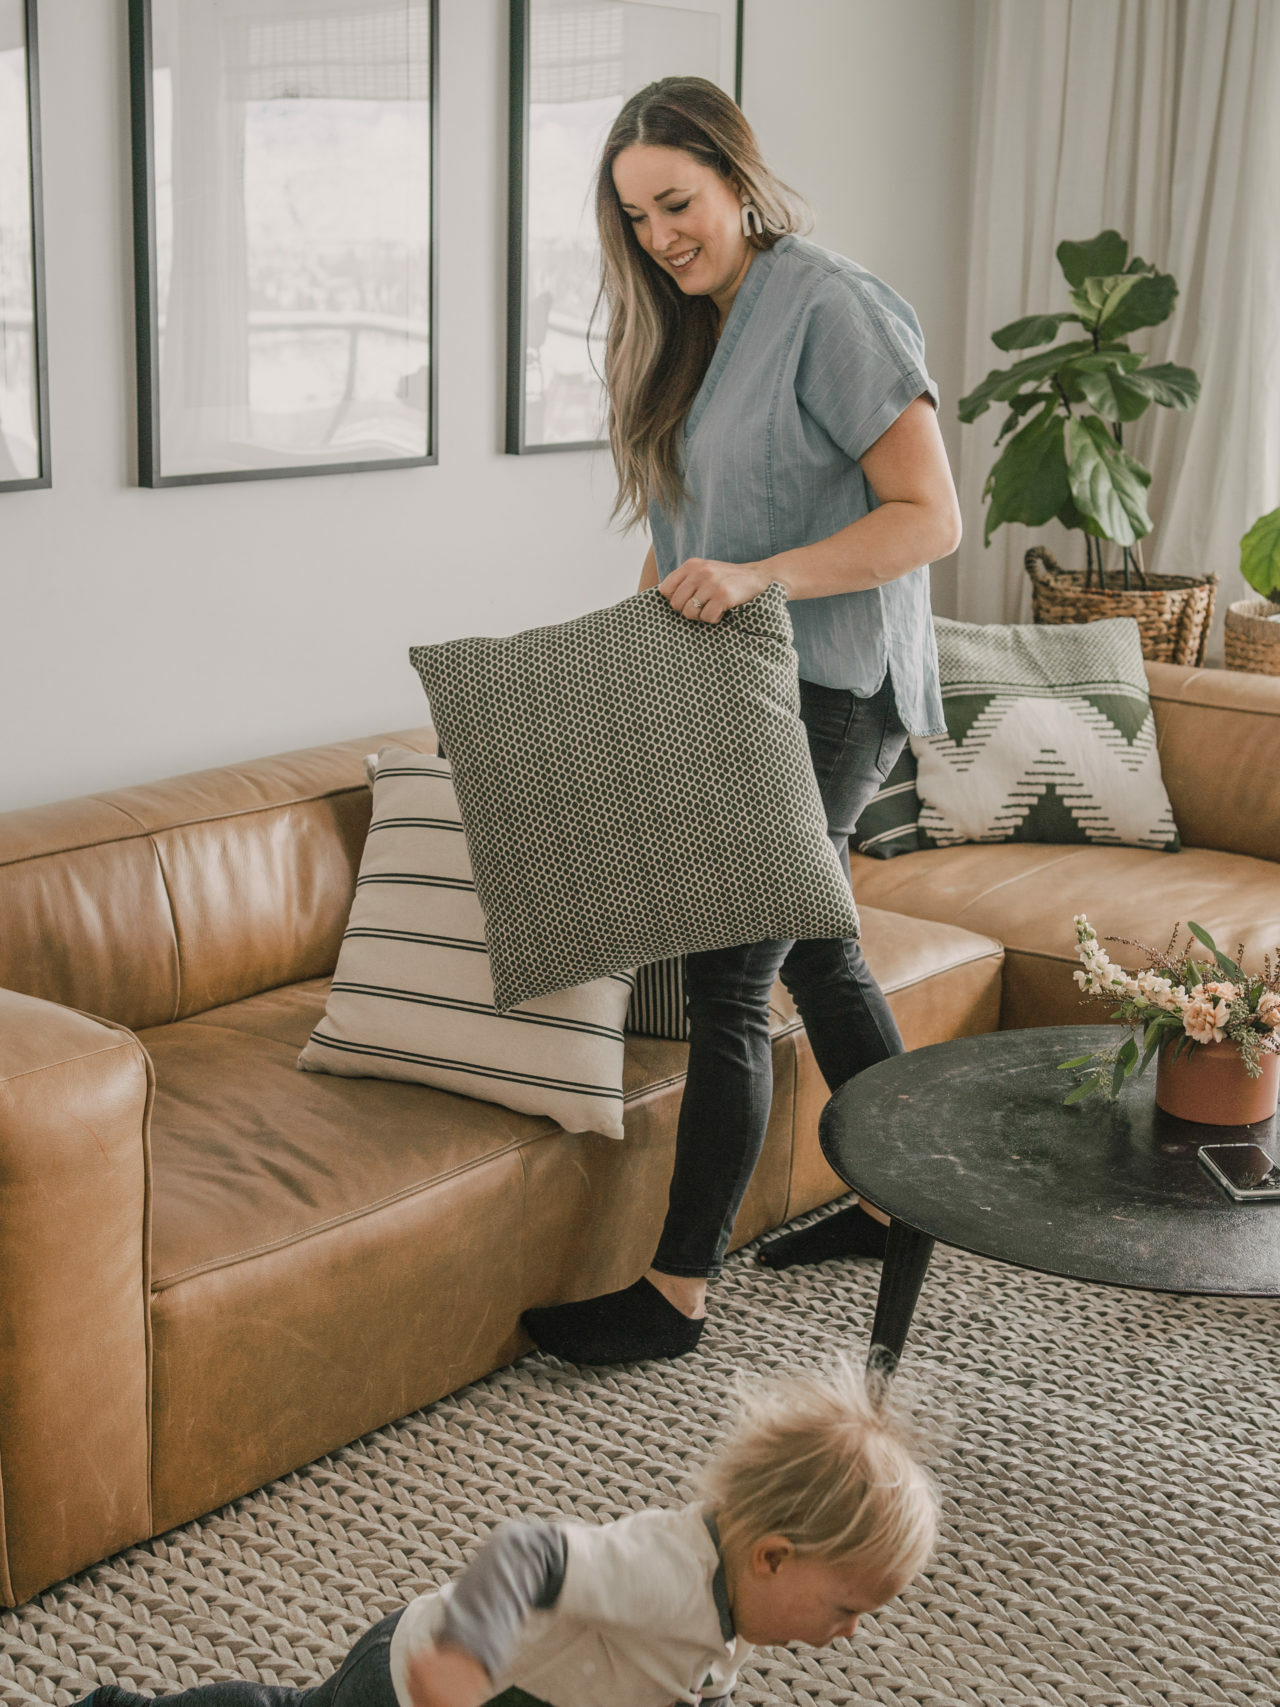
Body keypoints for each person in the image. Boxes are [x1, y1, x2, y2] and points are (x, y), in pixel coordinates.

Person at [520, 78, 961, 1365]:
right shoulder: (683, 327)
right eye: (635, 215)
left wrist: (761, 575)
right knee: (819, 952)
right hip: (738, 686)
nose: (660, 234)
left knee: (729, 973)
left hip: (833, 685)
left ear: (736, 179)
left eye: (678, 201)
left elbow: (928, 519)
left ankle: (673, 1293)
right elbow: (684, 543)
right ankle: (897, 1203)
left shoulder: (827, 304)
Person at [70, 1359, 940, 1707]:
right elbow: (529, 1550)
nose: (849, 1632)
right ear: (775, 1554)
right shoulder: (665, 1569)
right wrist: (463, 1657)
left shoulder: (737, 1607)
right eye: (845, 1605)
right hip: (420, 1681)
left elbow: (695, 1679)